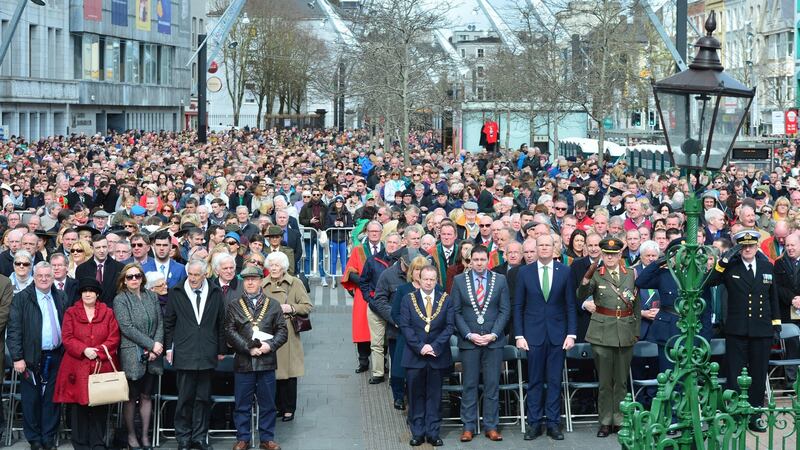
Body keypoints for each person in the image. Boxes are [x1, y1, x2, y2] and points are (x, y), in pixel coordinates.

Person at [707, 229, 780, 432]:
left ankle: (755, 415)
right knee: (735, 375)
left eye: (751, 245)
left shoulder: (766, 266)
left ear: (757, 246)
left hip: (762, 329)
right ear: (739, 248)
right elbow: (711, 281)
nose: (747, 249)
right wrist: (722, 262)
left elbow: (772, 297)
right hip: (737, 330)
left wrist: (776, 323)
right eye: (743, 246)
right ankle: (735, 415)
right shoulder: (731, 267)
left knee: (758, 374)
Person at [514, 234, 576, 440]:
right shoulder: (524, 272)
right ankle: (534, 424)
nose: (544, 249)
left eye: (547, 245)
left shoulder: (565, 272)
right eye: (540, 245)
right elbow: (518, 306)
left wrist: (572, 334)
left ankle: (553, 423)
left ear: (555, 248)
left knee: (554, 380)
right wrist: (519, 335)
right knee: (534, 381)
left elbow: (570, 305)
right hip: (532, 335)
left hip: (558, 335)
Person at [577, 237, 640, 438]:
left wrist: (635, 330)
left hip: (625, 332)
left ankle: (620, 420)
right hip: (602, 333)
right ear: (602, 255)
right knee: (605, 382)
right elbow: (581, 294)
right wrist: (586, 279)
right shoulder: (596, 274)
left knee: (621, 381)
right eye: (606, 254)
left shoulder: (630, 274)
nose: (610, 258)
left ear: (620, 255)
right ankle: (605, 421)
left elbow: (635, 305)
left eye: (613, 254)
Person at [164, 259, 228, 450]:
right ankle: (183, 437)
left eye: (196, 275)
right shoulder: (176, 292)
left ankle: (199, 437)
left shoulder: (215, 292)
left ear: (205, 274)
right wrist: (169, 348)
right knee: (185, 398)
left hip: (207, 353)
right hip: (184, 353)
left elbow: (220, 322)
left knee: (203, 398)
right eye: (190, 274)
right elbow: (169, 323)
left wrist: (221, 349)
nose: (192, 278)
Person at [224, 266, 288, 450]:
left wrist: (270, 345)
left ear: (261, 281)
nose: (250, 282)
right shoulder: (234, 304)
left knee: (268, 403)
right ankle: (243, 438)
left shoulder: (273, 304)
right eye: (247, 279)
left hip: (267, 362)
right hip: (244, 362)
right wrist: (247, 349)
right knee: (242, 403)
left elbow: (282, 331)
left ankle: (267, 438)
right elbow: (229, 331)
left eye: (253, 279)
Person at [53, 278, 120, 450]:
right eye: (84, 291)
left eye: (91, 290)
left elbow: (114, 337)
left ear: (97, 293)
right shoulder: (71, 312)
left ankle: (98, 443)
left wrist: (98, 351)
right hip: (76, 366)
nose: (88, 294)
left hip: (100, 365)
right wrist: (83, 350)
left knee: (100, 405)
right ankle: (80, 443)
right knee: (78, 408)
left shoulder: (108, 312)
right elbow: (67, 337)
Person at [451, 245, 510, 442]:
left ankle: (491, 426)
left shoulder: (499, 280)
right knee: (470, 384)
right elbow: (456, 312)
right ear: (469, 261)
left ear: (488, 260)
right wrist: (468, 334)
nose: (479, 263)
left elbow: (504, 310)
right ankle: (468, 426)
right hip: (470, 342)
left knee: (492, 385)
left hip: (493, 342)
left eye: (482, 260)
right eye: (475, 260)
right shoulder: (460, 281)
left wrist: (494, 334)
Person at [8, 262, 69, 450]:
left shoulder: (60, 296)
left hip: (56, 355)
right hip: (30, 357)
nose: (44, 279)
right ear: (34, 277)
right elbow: (14, 330)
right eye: (40, 275)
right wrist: (17, 357)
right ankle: (34, 438)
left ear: (53, 277)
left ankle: (48, 437)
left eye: (47, 276)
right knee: (31, 399)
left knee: (52, 398)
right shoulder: (22, 298)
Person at [397, 265, 455, 447]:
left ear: (437, 280)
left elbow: (449, 326)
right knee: (415, 396)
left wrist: (434, 346)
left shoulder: (445, 299)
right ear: (419, 280)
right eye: (426, 279)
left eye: (432, 279)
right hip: (415, 356)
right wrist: (420, 347)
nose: (429, 282)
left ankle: (433, 432)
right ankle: (418, 432)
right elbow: (405, 326)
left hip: (437, 355)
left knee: (435, 396)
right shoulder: (408, 299)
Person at [114, 263, 164, 450]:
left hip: (153, 354)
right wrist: (151, 345)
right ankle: (131, 436)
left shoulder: (152, 296)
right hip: (132, 353)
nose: (134, 279)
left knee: (146, 396)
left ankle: (144, 437)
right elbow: (126, 327)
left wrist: (156, 347)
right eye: (129, 277)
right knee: (131, 397)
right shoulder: (120, 300)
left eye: (137, 276)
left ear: (142, 278)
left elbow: (159, 322)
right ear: (124, 280)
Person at [262, 251, 313, 422]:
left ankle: (289, 408)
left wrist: (290, 308)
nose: (274, 268)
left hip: (289, 334)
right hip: (269, 333)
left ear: (284, 267)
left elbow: (307, 306)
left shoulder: (295, 283)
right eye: (272, 265)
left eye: (277, 265)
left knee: (290, 373)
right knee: (272, 371)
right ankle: (277, 406)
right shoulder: (263, 285)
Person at [775, 233, 800, 386]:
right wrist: (792, 298)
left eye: (793, 245)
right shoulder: (779, 263)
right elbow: (777, 287)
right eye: (788, 245)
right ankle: (792, 383)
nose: (790, 248)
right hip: (787, 312)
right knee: (791, 346)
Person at [75, 234, 124, 308]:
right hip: (90, 312)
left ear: (108, 247)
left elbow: (122, 293)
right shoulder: (81, 269)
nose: (102, 251)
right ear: (92, 248)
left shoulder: (120, 268)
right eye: (98, 247)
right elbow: (79, 294)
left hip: (113, 312)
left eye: (104, 247)